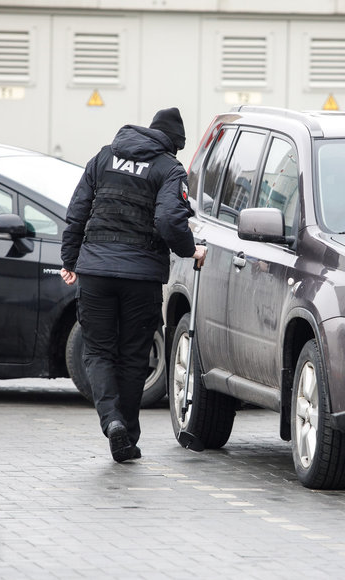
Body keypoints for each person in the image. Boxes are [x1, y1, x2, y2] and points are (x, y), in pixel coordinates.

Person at [60, 107, 206, 463]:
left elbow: (78, 209)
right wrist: (191, 251)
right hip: (139, 277)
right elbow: (170, 220)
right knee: (133, 357)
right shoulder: (168, 168)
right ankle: (128, 432)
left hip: (95, 272)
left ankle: (112, 423)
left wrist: (69, 259)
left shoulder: (104, 157)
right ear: (173, 143)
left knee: (97, 352)